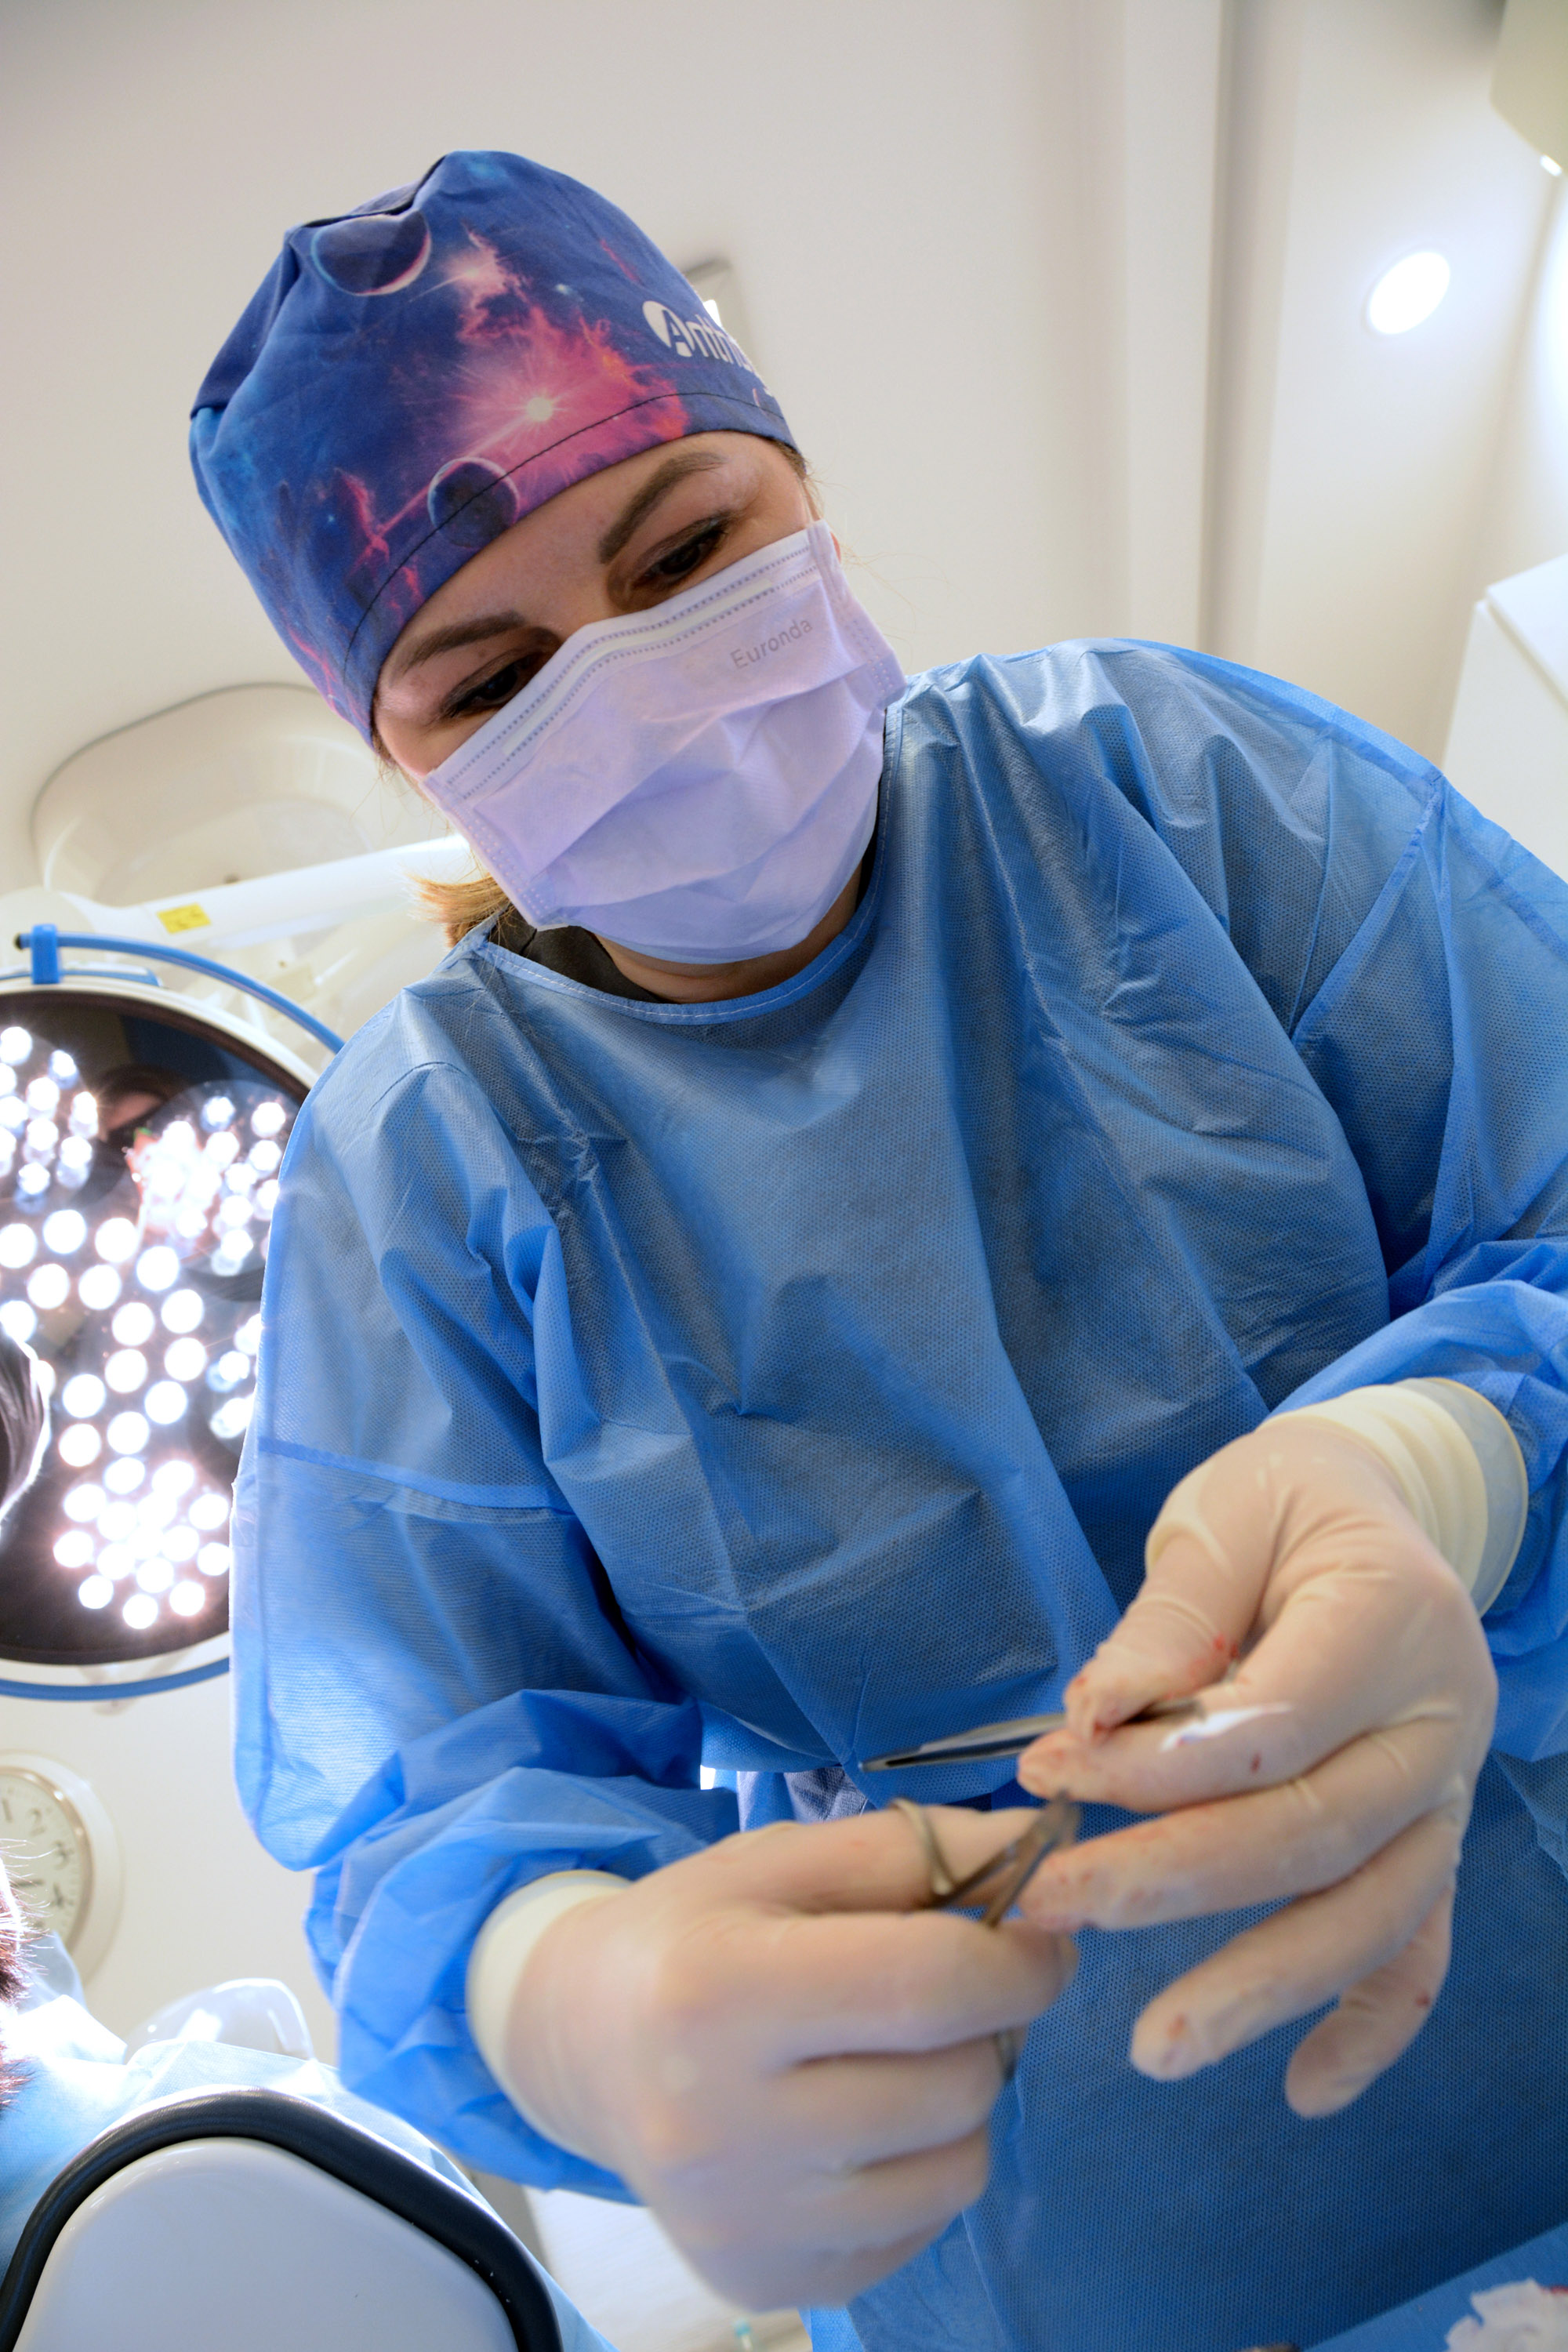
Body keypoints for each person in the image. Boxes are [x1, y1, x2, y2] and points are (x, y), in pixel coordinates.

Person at [190, 151, 1568, 2352]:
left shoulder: (1172, 782)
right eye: (492, 678)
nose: (638, 692)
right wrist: (564, 1990)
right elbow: (429, 1798)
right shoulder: (428, 1175)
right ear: (404, 758)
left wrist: (1440, 1464)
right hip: (1035, 2186)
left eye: (685, 554)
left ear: (803, 491)